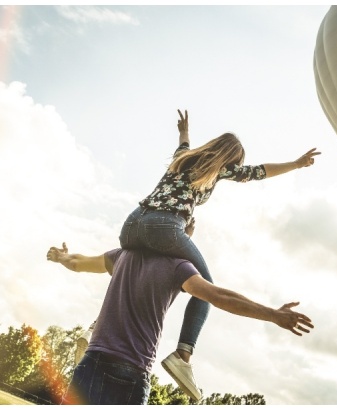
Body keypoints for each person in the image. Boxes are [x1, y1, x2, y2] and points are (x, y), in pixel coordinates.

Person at [103, 109, 319, 399]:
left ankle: (97, 327)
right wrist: (296, 163)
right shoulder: (221, 167)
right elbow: (259, 172)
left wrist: (183, 130)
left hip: (131, 226)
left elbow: (182, 142)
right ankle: (183, 356)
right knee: (205, 285)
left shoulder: (184, 157)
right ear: (230, 158)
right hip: (165, 227)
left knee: (131, 267)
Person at [46, 241, 313, 405]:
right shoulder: (178, 266)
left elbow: (77, 262)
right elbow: (218, 296)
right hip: (133, 371)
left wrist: (60, 257)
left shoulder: (122, 256)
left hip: (94, 362)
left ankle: (91, 329)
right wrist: (273, 314)